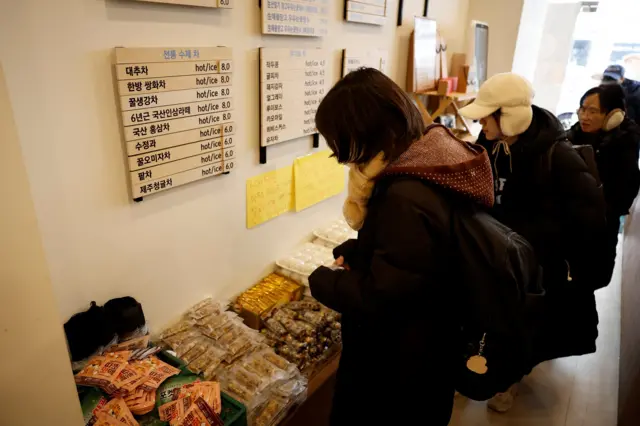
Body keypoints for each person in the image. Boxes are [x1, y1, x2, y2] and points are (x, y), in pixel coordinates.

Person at [307, 68, 496, 426]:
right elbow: (419, 260)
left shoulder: (405, 193)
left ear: (365, 130)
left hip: (400, 361)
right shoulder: (430, 157)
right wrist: (366, 252)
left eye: (339, 139)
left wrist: (325, 282)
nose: (339, 153)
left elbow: (386, 297)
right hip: (432, 345)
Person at [459, 73, 610, 412]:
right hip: (496, 257)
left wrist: (572, 268)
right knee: (487, 320)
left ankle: (506, 380)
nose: (482, 121)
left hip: (535, 267)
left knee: (519, 328)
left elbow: (590, 220)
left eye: (488, 114)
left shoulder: (558, 157)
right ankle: (479, 369)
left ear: (509, 117)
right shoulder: (491, 143)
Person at [566, 84, 640, 257]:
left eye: (593, 111)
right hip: (570, 222)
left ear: (613, 115)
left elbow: (624, 195)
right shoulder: (573, 135)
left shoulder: (625, 144)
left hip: (599, 226)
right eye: (583, 109)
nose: (585, 116)